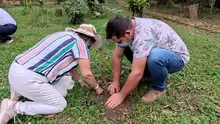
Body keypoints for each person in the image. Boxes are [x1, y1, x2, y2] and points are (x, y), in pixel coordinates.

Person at [0, 24, 104, 123]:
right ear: (90, 40)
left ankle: (18, 90)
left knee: (63, 90)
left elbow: (72, 68)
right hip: (29, 78)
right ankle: (14, 107)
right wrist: (96, 87)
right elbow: (87, 74)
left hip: (15, 69)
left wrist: (80, 81)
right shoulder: (81, 44)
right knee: (59, 104)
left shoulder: (60, 35)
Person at [105, 17, 190, 109]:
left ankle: (158, 88)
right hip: (157, 50)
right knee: (125, 47)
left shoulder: (143, 35)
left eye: (120, 41)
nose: (119, 43)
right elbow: (117, 56)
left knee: (155, 57)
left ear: (128, 33)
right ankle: (148, 75)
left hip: (176, 58)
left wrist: (121, 95)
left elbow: (137, 73)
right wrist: (115, 81)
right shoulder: (124, 28)